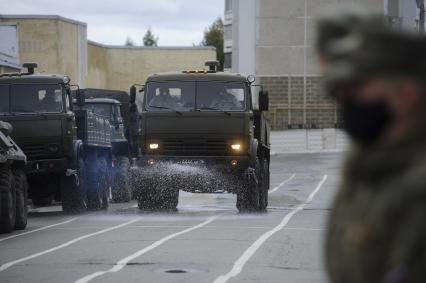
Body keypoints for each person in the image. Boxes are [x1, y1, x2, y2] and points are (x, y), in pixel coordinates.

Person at [316, 10, 426, 283]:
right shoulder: (368, 166)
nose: (343, 99)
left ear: (406, 93)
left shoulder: (416, 185)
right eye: (337, 91)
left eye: (356, 88)